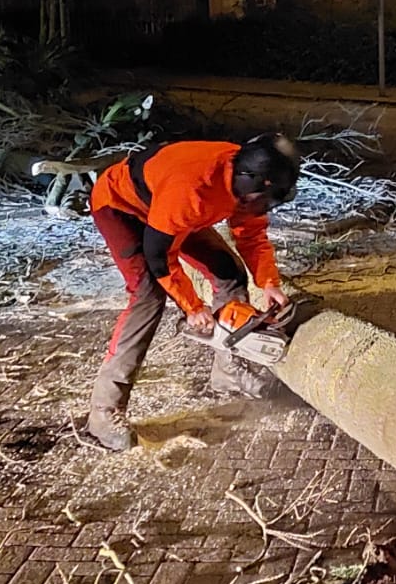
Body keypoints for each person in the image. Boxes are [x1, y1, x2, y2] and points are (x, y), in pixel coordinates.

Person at [81, 135, 302, 450]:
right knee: (147, 295)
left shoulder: (245, 185)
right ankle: (104, 413)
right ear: (253, 182)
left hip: (167, 210)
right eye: (265, 200)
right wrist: (192, 306)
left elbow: (251, 233)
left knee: (229, 273)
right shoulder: (194, 188)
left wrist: (268, 282)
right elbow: (159, 258)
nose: (264, 207)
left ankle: (229, 369)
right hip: (122, 207)